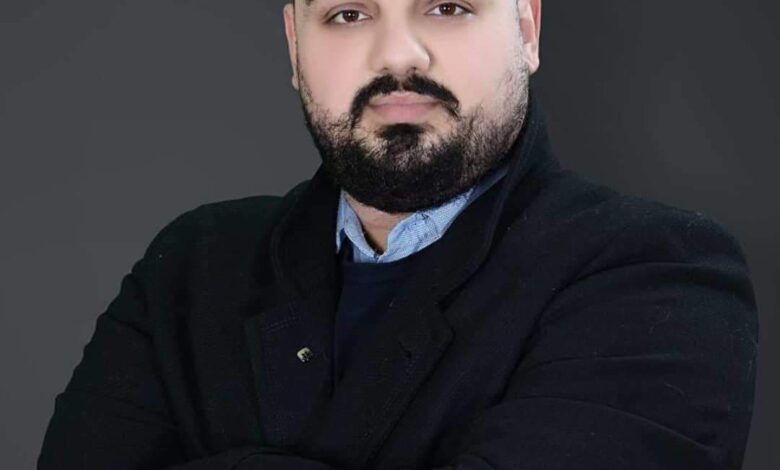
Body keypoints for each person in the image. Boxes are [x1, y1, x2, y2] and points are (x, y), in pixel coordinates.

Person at [38, 0, 759, 468]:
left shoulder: (657, 275)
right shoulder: (191, 268)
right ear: (294, 45)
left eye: (448, 7)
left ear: (527, 30)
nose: (398, 57)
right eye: (349, 14)